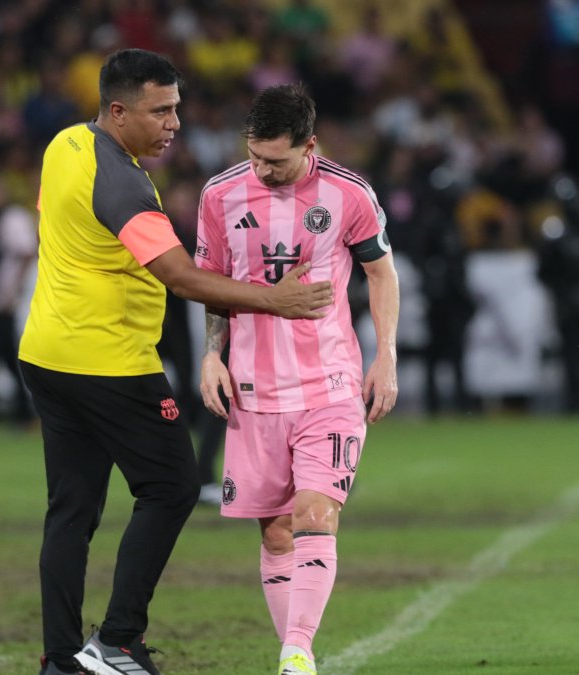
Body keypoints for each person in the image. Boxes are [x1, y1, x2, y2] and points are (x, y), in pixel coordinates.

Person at [17, 50, 334, 675]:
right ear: (118, 110)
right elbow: (182, 278)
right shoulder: (122, 182)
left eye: (177, 109)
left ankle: (60, 659)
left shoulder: (65, 146)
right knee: (172, 486)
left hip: (47, 354)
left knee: (72, 510)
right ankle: (119, 640)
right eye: (160, 111)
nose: (174, 124)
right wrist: (279, 300)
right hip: (107, 361)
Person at [195, 84, 399, 675]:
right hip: (253, 390)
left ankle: (296, 653)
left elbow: (381, 275)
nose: (263, 170)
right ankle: (296, 653)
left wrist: (385, 355)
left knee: (315, 513)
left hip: (329, 384)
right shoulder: (220, 194)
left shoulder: (349, 193)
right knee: (277, 533)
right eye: (255, 156)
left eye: (277, 161)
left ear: (310, 145)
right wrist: (213, 355)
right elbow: (211, 281)